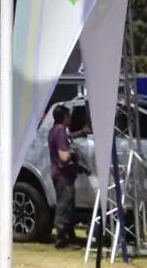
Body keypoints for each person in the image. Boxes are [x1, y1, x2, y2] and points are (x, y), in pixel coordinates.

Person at [48, 104, 89, 248]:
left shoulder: (56, 130)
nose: (70, 117)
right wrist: (74, 153)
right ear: (64, 117)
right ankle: (61, 239)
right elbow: (64, 157)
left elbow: (68, 137)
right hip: (62, 175)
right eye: (68, 115)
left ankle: (69, 236)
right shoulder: (59, 131)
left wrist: (81, 132)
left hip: (59, 174)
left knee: (67, 205)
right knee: (64, 206)